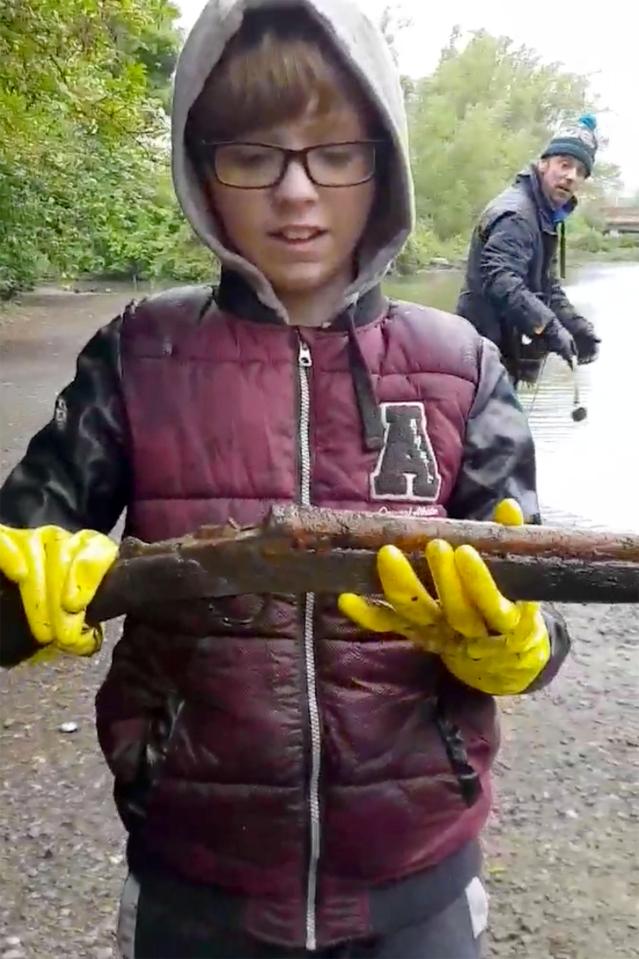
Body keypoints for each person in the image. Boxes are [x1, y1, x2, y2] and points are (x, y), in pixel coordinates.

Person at [0, 2, 570, 957]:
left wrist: (512, 643)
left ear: (382, 161)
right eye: (253, 154)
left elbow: (545, 622)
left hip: (418, 884)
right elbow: (15, 567)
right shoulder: (137, 353)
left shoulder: (462, 363)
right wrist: (26, 591)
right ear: (202, 167)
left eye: (334, 151)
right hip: (195, 883)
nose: (297, 193)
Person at [457, 115, 602, 384]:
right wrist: (549, 327)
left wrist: (573, 324)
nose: (571, 176)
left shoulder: (543, 216)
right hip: (479, 357)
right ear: (543, 164)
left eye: (580, 172)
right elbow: (500, 279)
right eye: (565, 164)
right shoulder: (518, 216)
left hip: (500, 358)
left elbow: (547, 285)